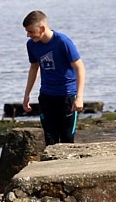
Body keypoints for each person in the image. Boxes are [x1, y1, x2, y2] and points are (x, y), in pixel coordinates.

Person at [22, 10, 85, 146]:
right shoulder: (31, 45)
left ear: (42, 28)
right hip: (46, 96)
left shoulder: (63, 42)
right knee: (50, 140)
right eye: (27, 32)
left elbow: (80, 68)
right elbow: (34, 68)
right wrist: (27, 94)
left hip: (67, 97)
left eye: (31, 32)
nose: (28, 35)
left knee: (67, 140)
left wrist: (79, 97)